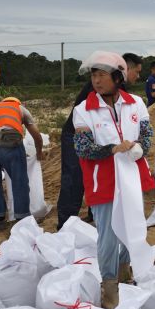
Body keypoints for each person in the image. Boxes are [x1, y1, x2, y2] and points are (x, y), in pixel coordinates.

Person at [73, 51, 154, 309]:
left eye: (102, 75)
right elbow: (83, 147)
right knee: (108, 236)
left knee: (131, 229)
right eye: (93, 75)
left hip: (131, 179)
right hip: (103, 181)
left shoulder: (136, 104)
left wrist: (140, 146)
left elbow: (146, 135)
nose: (96, 81)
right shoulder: (83, 110)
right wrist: (112, 149)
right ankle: (109, 290)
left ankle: (125, 273)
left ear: (118, 77)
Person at [0, 97, 44, 231]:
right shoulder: (19, 108)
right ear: (16, 102)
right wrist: (39, 151)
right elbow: (36, 134)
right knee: (19, 181)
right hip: (8, 140)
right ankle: (22, 218)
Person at [57, 81, 95, 229]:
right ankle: (65, 225)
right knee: (74, 178)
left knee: (97, 175)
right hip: (75, 134)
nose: (137, 76)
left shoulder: (117, 87)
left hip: (94, 135)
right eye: (136, 72)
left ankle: (94, 216)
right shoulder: (102, 85)